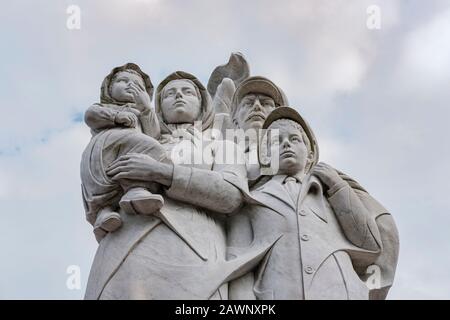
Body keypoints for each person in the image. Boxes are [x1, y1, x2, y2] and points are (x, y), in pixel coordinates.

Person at [84, 71, 270, 300]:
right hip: (124, 243)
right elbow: (96, 173)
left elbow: (230, 195)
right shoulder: (132, 137)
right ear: (158, 107)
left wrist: (162, 172)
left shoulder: (220, 145)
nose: (178, 96)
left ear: (203, 105)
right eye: (169, 94)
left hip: (195, 253)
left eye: (187, 92)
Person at [230, 107, 383, 299]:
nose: (286, 144)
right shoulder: (251, 201)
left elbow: (371, 244)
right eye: (277, 141)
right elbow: (238, 268)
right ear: (265, 157)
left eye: (294, 139)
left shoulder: (331, 193)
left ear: (310, 154)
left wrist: (338, 187)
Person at [81, 63, 168, 242]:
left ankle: (135, 190)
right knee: (152, 149)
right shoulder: (106, 108)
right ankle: (102, 212)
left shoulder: (143, 113)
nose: (130, 85)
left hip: (132, 150)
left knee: (152, 150)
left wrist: (145, 109)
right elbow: (91, 115)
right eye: (122, 81)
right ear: (109, 89)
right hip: (104, 150)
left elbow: (154, 135)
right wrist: (115, 117)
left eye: (138, 85)